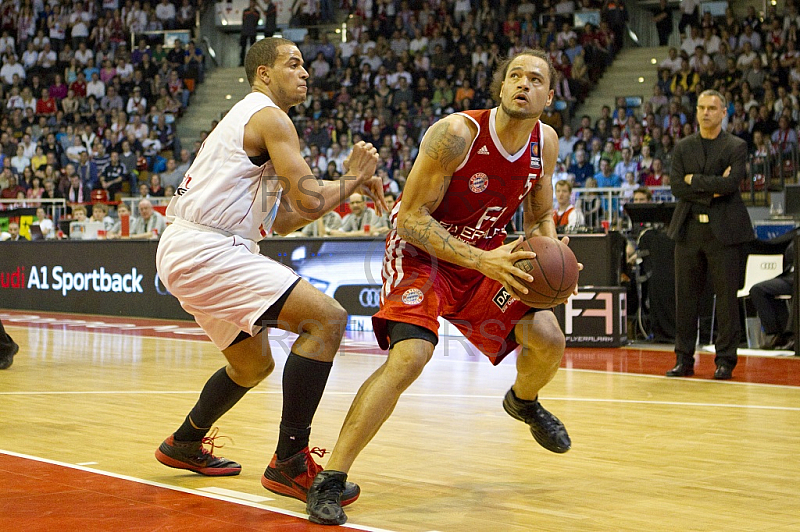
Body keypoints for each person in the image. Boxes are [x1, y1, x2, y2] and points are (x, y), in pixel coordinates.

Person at [306, 49, 575, 526]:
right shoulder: (456, 134)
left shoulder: (545, 143)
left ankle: (523, 401)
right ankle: (329, 478)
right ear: (500, 88)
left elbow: (538, 215)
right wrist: (483, 260)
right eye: (515, 75)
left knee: (550, 337)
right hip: (422, 255)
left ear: (548, 96)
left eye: (535, 79)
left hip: (487, 257)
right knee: (410, 357)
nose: (523, 84)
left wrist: (553, 258)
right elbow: (409, 219)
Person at [153, 37, 384, 510]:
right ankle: (290, 463)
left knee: (252, 364)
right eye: (292, 64)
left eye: (304, 65)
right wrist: (353, 177)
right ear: (263, 73)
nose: (304, 73)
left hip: (193, 245)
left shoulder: (250, 121)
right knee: (327, 320)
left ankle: (184, 443)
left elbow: (280, 220)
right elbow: (308, 200)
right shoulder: (269, 116)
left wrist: (343, 189)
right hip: (207, 248)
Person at [666, 89, 754, 380]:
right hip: (688, 229)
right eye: (701, 107)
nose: (705, 112)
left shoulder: (736, 146)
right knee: (685, 299)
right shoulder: (682, 147)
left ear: (724, 111)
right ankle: (684, 359)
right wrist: (710, 187)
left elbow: (730, 185)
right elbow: (678, 186)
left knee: (727, 300)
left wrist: (696, 182)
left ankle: (726, 361)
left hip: (725, 232)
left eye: (712, 108)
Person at [750, 240, 795, 350]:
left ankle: (792, 337)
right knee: (757, 290)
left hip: (796, 282)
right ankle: (775, 334)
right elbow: (789, 253)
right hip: (790, 277)